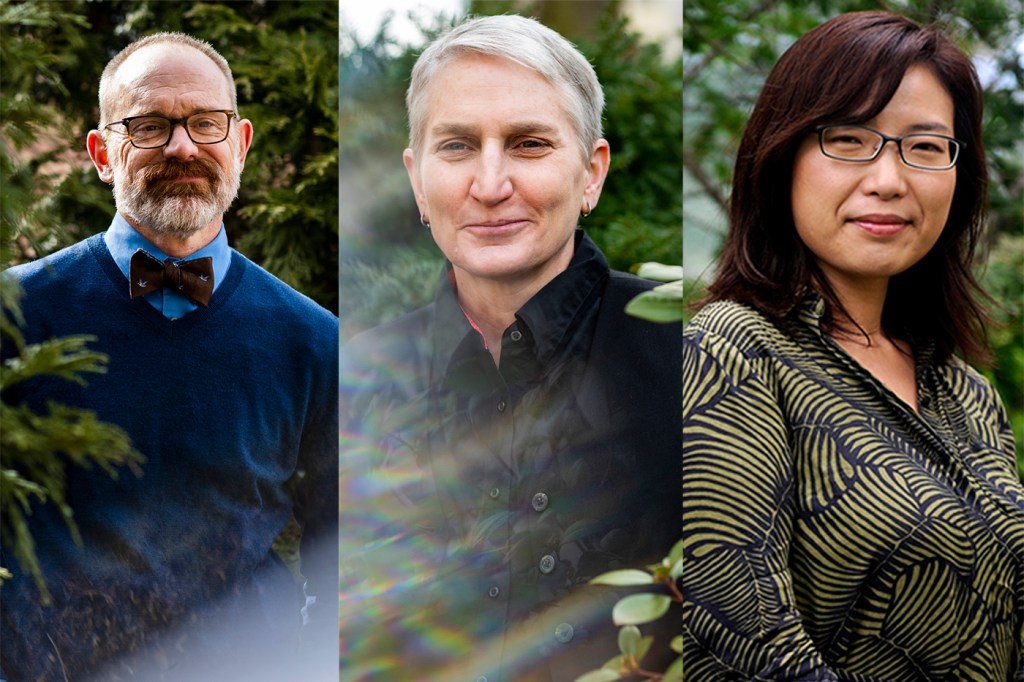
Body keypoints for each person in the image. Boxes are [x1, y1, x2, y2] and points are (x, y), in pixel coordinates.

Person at [682, 11, 1024, 681]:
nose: (889, 180)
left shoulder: (968, 393)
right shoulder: (732, 350)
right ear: (781, 158)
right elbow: (737, 638)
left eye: (926, 147)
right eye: (848, 138)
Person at [339, 14, 681, 682]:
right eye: (458, 146)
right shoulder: (353, 377)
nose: (491, 185)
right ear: (416, 180)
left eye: (528, 144)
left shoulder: (688, 354)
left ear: (591, 174)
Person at [0, 32, 338, 681]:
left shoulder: (314, 341)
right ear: (102, 153)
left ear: (238, 144)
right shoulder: (16, 315)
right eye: (150, 126)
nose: (183, 147)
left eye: (205, 124)